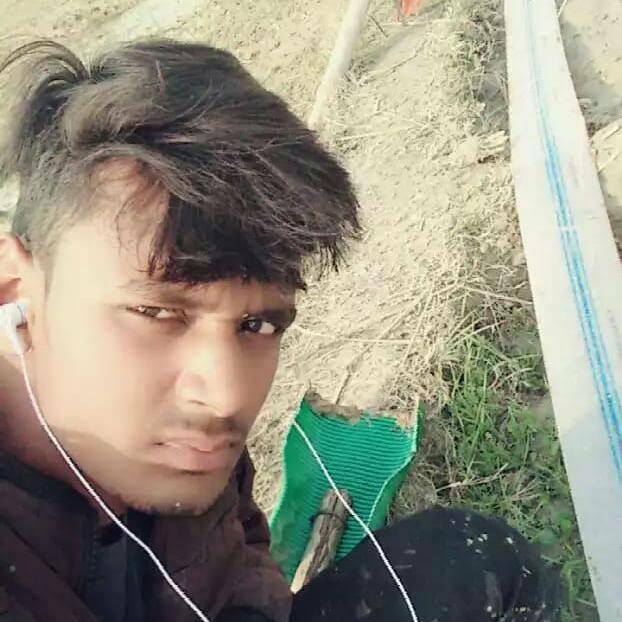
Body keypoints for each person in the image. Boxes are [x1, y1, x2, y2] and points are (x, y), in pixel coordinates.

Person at [0, 40, 560, 622]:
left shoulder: (181, 423)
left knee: (478, 561)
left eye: (258, 324)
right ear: (16, 290)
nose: (227, 395)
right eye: (159, 313)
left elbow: (238, 554)